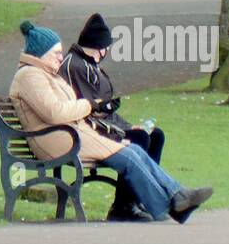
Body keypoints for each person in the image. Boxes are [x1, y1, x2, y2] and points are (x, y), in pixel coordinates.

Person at [9, 20, 212, 224]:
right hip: (55, 140)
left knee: (135, 151)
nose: (61, 57)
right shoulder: (30, 76)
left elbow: (65, 111)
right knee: (129, 157)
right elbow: (54, 112)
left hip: (71, 134)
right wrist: (88, 104)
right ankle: (169, 206)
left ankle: (178, 195)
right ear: (41, 54)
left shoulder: (45, 75)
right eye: (56, 53)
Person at [60, 13, 165, 222]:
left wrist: (125, 124)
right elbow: (90, 110)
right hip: (87, 131)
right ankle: (123, 206)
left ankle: (137, 198)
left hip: (101, 124)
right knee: (140, 138)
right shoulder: (77, 66)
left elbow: (103, 107)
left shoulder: (88, 64)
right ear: (101, 48)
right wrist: (121, 129)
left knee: (155, 135)